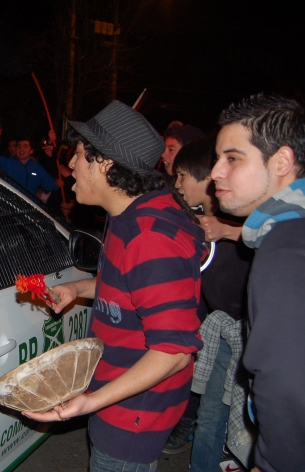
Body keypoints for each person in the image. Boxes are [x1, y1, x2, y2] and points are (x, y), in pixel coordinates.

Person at [23, 100, 206, 471]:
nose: (70, 164)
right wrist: (79, 289)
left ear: (104, 163)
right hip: (118, 396)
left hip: (134, 413)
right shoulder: (127, 216)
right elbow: (129, 287)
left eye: (77, 154)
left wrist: (92, 402)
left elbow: (174, 353)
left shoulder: (152, 236)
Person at [211, 93, 305, 472]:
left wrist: (271, 463)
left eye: (232, 158)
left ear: (281, 161)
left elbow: (288, 385)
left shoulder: (285, 248)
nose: (216, 171)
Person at [172, 136, 255, 471]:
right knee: (209, 417)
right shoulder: (191, 222)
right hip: (221, 334)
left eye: (182, 176)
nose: (176, 184)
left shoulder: (248, 219)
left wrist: (228, 230)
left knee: (245, 427)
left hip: (252, 339)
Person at [0, 126, 59, 197]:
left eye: (25, 146)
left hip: (30, 207)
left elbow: (50, 184)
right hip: (11, 205)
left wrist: (58, 183)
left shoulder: (37, 168)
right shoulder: (8, 163)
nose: (21, 149)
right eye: (19, 146)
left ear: (31, 151)